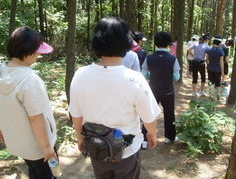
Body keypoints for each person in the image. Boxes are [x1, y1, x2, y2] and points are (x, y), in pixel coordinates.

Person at [69, 17, 160, 179]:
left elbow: (76, 114)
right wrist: (151, 134)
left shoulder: (80, 75)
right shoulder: (135, 79)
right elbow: (149, 116)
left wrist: (80, 137)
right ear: (126, 44)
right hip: (127, 151)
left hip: (97, 148)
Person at [0, 26, 58, 179]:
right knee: (50, 174)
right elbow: (36, 116)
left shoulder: (2, 71)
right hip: (38, 147)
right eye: (37, 50)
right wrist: (47, 147)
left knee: (34, 171)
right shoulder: (29, 80)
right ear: (27, 50)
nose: (39, 54)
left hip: (17, 141)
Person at [141, 31, 181, 144]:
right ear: (169, 44)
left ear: (156, 43)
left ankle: (144, 138)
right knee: (169, 114)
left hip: (153, 90)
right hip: (168, 91)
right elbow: (176, 77)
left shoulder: (149, 58)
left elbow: (144, 74)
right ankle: (170, 137)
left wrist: (152, 76)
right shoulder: (173, 59)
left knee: (149, 113)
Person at [205, 36, 224, 100]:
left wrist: (207, 65)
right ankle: (218, 94)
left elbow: (207, 59)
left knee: (211, 82)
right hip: (217, 69)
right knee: (218, 82)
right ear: (219, 43)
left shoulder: (209, 49)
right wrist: (222, 70)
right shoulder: (220, 51)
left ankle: (212, 95)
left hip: (210, 68)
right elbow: (221, 62)